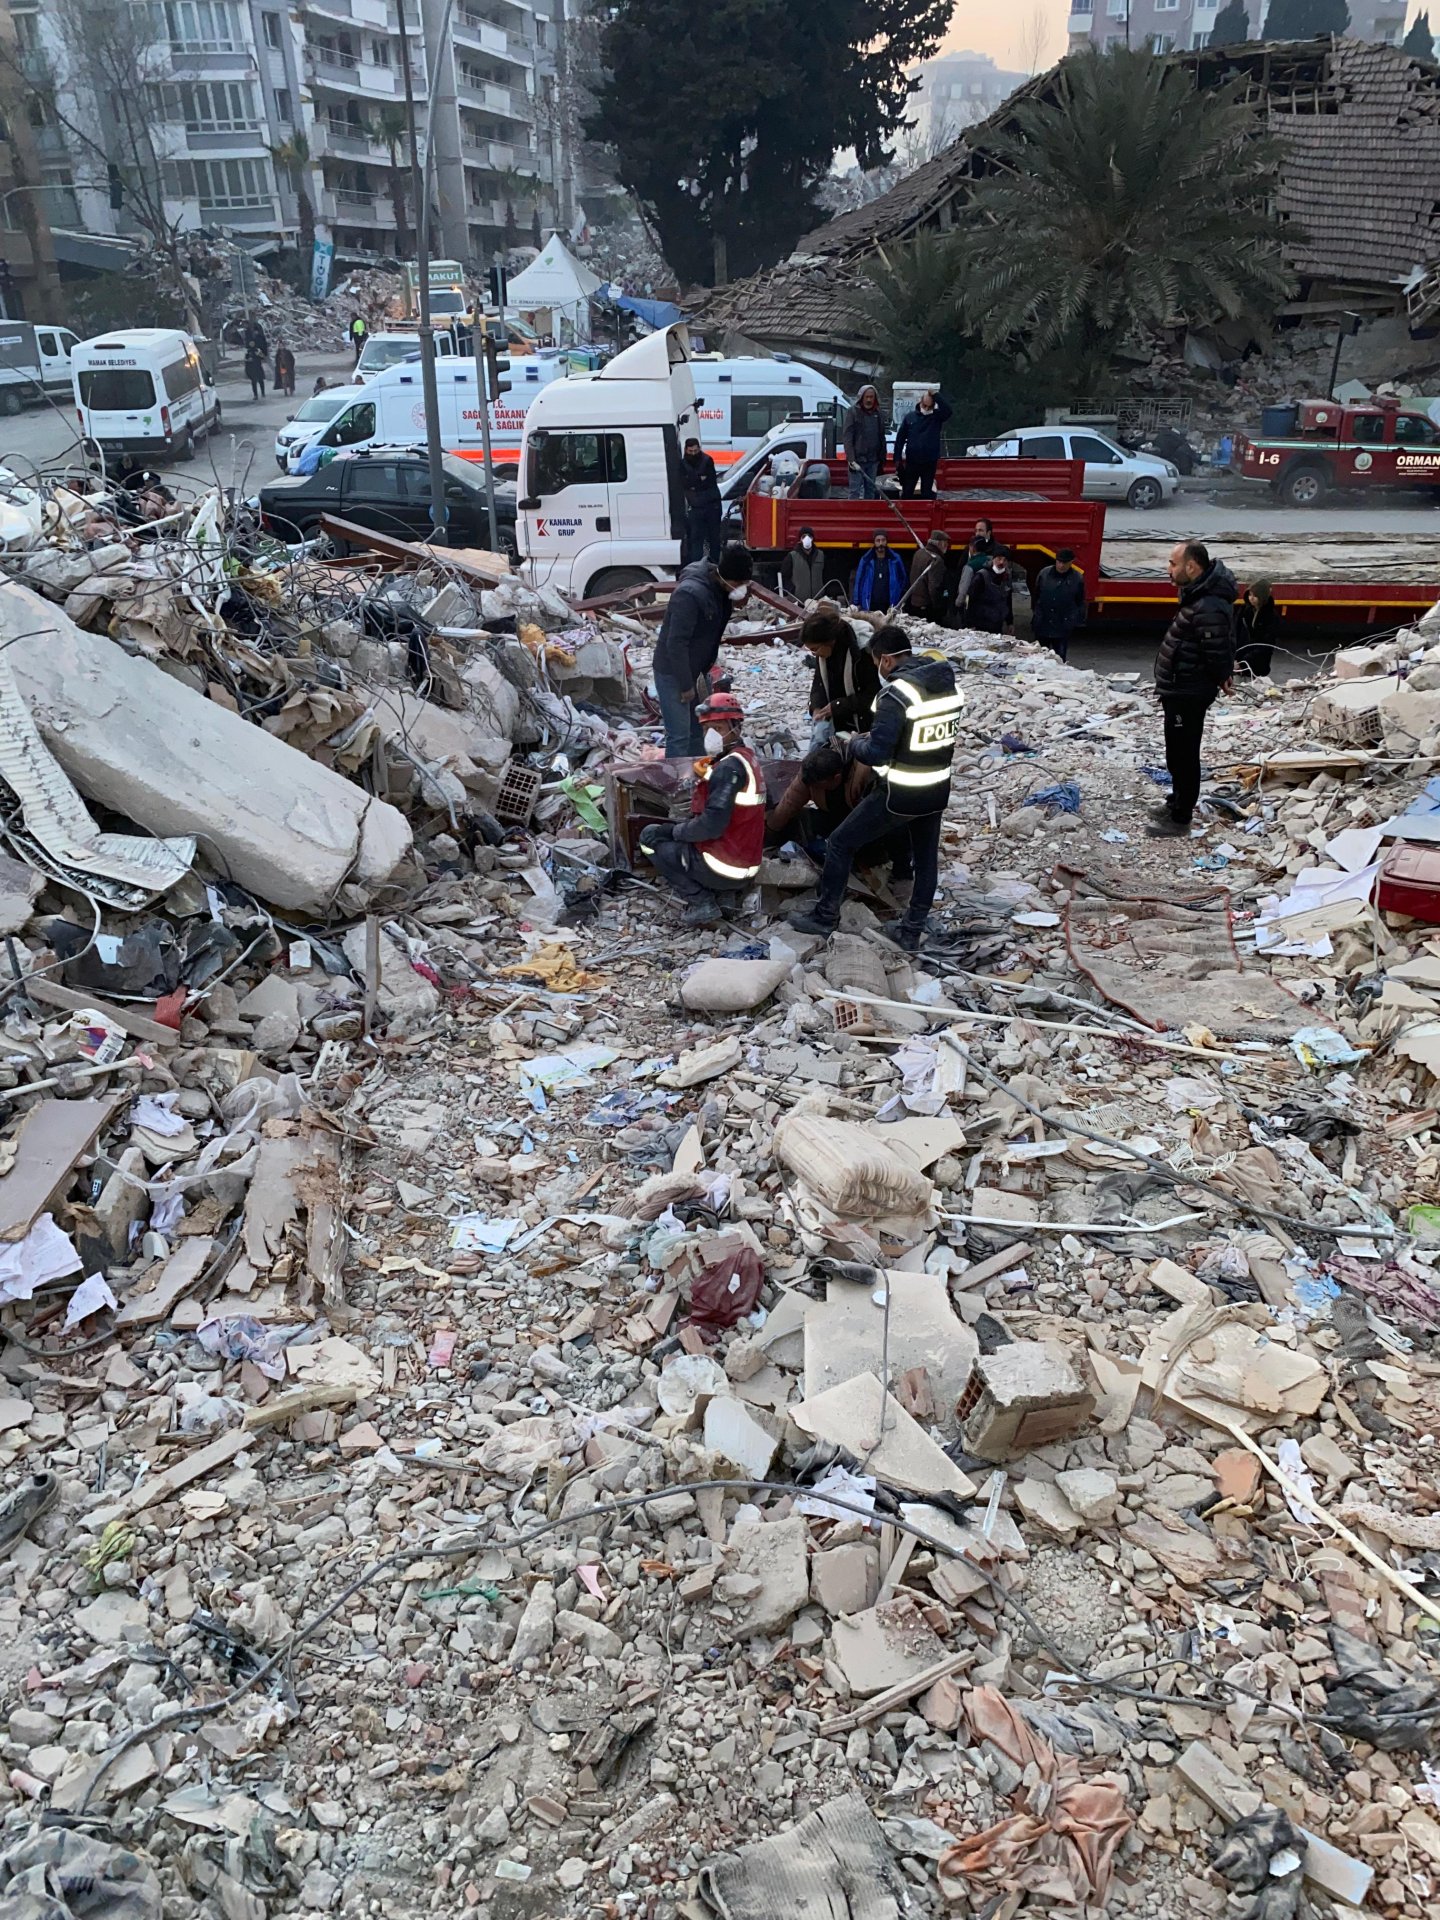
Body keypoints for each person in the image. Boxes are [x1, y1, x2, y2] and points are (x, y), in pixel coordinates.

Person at [788, 625, 960, 951]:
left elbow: (877, 754)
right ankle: (911, 930)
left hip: (900, 792)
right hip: (937, 787)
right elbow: (919, 735)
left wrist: (854, 743)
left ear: (886, 660)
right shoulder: (946, 687)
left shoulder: (895, 695)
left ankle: (825, 916)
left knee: (840, 843)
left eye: (877, 662)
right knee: (926, 861)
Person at [639, 692, 766, 928]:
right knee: (680, 836)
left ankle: (701, 902)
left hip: (724, 867)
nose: (711, 736)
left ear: (735, 727)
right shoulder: (747, 758)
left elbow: (710, 826)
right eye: (707, 729)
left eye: (717, 728)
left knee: (650, 839)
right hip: (745, 863)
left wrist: (673, 831)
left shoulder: (728, 769)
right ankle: (725, 896)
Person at [1149, 541, 1237, 838]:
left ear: (1191, 566)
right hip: (1181, 688)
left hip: (1188, 692)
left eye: (1173, 563)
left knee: (1184, 754)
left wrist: (1222, 675)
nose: (1168, 569)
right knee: (1177, 752)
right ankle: (1176, 802)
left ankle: (1180, 818)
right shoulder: (1199, 596)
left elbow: (1218, 650)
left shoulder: (1208, 604)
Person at [652, 541, 754, 757]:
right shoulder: (690, 595)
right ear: (727, 577)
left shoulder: (720, 591)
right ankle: (677, 777)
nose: (742, 588)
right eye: (740, 583)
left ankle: (698, 772)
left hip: (697, 671)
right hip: (673, 672)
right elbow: (676, 643)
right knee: (679, 736)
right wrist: (685, 685)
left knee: (700, 729)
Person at [801, 607, 880, 746]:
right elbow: (819, 683)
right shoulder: (824, 654)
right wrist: (816, 706)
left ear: (829, 640)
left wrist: (838, 706)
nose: (815, 655)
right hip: (839, 719)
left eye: (815, 649)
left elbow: (873, 694)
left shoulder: (863, 652)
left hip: (865, 722)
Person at [893, 389, 953, 499]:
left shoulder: (937, 417)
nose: (926, 408)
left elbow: (948, 411)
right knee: (907, 490)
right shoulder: (910, 417)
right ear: (921, 402)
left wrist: (936, 395)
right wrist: (897, 459)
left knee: (927, 492)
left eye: (930, 406)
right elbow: (900, 439)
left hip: (929, 461)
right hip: (912, 460)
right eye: (925, 405)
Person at [1031, 548, 1087, 662]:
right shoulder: (1044, 574)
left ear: (1071, 562)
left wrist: (1072, 620)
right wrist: (1037, 614)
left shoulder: (1077, 578)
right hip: (1043, 623)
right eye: (1059, 562)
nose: (1061, 565)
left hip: (1062, 626)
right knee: (1038, 658)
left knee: (1059, 659)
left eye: (1065, 563)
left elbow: (1079, 601)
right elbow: (1036, 596)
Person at [680, 436, 722, 563]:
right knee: (696, 539)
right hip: (696, 507)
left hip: (711, 506)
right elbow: (684, 483)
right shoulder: (683, 464)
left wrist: (694, 483)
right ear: (686, 450)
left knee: (714, 538)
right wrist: (699, 479)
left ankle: (714, 565)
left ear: (699, 449)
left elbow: (709, 482)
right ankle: (696, 566)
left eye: (695, 451)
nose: (693, 454)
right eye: (690, 451)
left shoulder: (707, 460)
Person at [843, 385, 886, 499]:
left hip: (873, 460)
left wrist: (882, 458)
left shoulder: (879, 413)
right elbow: (847, 436)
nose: (869, 400)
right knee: (854, 491)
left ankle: (869, 511)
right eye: (866, 397)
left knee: (871, 490)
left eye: (871, 397)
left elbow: (882, 436)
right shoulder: (852, 412)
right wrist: (851, 459)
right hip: (857, 461)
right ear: (861, 397)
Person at [961, 550, 1016, 635]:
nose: (1001, 562)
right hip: (980, 626)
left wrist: (1010, 622)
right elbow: (969, 600)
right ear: (993, 559)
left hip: (997, 625)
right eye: (999, 558)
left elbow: (1008, 601)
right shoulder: (981, 576)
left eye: (1005, 560)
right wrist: (969, 624)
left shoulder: (1006, 578)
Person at [851, 530, 907, 614]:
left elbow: (903, 579)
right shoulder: (866, 560)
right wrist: (856, 602)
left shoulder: (895, 560)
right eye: (878, 540)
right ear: (874, 542)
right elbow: (858, 582)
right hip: (870, 606)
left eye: (883, 540)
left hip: (889, 607)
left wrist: (898, 596)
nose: (881, 543)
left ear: (886, 542)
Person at [908, 530, 954, 625]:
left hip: (915, 603)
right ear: (940, 543)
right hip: (927, 606)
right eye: (946, 543)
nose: (947, 546)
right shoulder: (936, 560)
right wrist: (938, 607)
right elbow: (934, 587)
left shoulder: (919, 553)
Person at [1236, 579, 1277, 679]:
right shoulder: (1244, 610)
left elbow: (1266, 644)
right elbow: (1235, 631)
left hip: (1257, 665)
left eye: (1255, 596)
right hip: (1239, 660)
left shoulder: (1270, 616)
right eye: (1250, 595)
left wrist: (1244, 661)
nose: (1251, 598)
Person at [782, 527, 829, 602]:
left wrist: (825, 591)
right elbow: (785, 576)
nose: (807, 539)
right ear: (800, 539)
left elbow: (826, 575)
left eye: (809, 536)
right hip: (798, 601)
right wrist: (792, 590)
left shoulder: (821, 555)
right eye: (803, 536)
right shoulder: (792, 556)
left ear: (813, 539)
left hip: (817, 601)